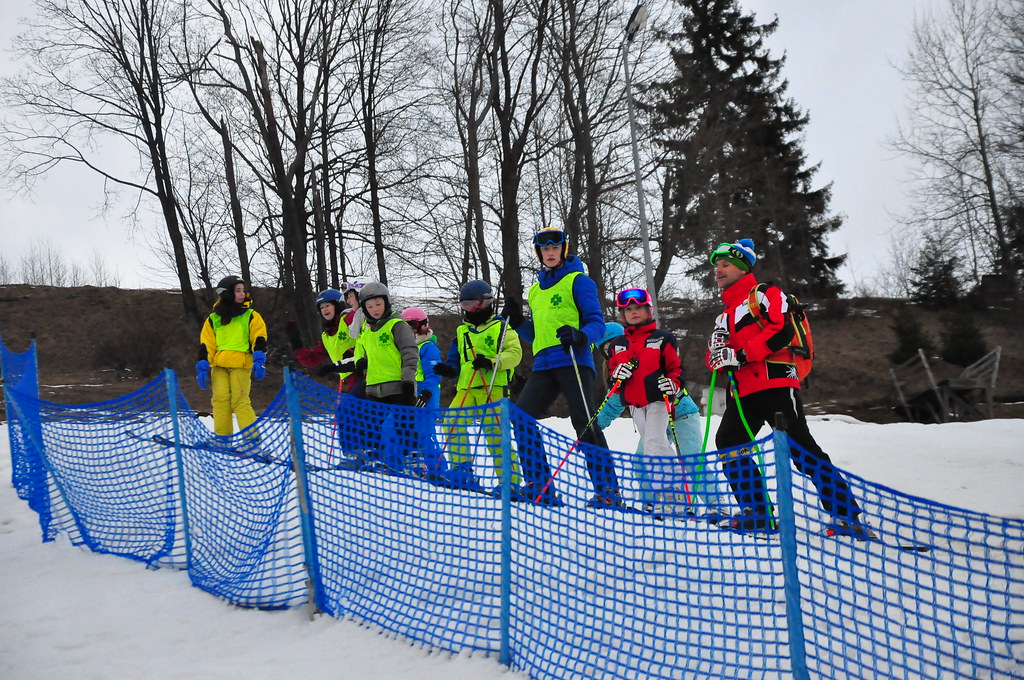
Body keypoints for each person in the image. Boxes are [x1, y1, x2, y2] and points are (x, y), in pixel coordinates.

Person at [706, 238, 867, 535]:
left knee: (800, 448)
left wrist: (740, 354)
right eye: (717, 266)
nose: (719, 270)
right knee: (729, 441)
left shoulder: (765, 294)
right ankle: (758, 512)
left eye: (726, 264)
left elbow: (781, 330)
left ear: (743, 268)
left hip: (775, 382)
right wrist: (717, 352)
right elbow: (715, 361)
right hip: (743, 391)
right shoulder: (724, 315)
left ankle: (848, 515)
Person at [500, 226, 623, 507]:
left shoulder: (578, 281)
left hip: (573, 359)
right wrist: (518, 322)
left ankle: (607, 489)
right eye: (545, 249)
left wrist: (581, 336)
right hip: (544, 363)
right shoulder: (535, 291)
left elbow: (597, 323)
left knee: (583, 421)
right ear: (539, 253)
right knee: (520, 416)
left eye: (555, 248)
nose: (550, 253)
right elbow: (538, 336)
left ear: (563, 249)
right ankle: (539, 484)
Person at [594, 321, 730, 519]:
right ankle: (653, 502)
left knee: (690, 460)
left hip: (680, 415)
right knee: (642, 460)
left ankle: (717, 505)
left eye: (612, 344)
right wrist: (594, 427)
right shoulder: (620, 372)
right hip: (653, 420)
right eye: (606, 349)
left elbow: (673, 373)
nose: (611, 350)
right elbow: (612, 403)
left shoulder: (648, 356)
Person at [433, 280, 524, 490]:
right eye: (466, 305)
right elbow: (456, 362)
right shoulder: (462, 331)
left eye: (475, 305)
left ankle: (510, 481)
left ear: (487, 302)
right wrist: (449, 370)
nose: (471, 310)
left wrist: (491, 362)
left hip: (492, 387)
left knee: (495, 432)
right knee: (452, 422)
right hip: (466, 388)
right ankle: (462, 469)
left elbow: (515, 354)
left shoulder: (501, 327)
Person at [602, 288, 686, 515]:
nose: (633, 312)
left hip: (658, 399)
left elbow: (676, 368)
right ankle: (674, 492)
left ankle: (670, 496)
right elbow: (613, 376)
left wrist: (673, 383)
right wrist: (617, 375)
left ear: (648, 310)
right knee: (657, 447)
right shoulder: (618, 344)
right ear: (622, 315)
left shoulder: (663, 338)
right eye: (628, 309)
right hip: (635, 404)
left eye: (638, 307)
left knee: (653, 443)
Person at [196, 275, 268, 436]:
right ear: (227, 293)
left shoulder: (251, 315)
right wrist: (202, 366)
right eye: (238, 291)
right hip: (219, 366)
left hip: (241, 365)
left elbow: (259, 338)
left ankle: (252, 440)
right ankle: (223, 439)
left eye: (243, 290)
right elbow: (206, 344)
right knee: (219, 401)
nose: (243, 294)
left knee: (240, 401)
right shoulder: (213, 319)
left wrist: (259, 360)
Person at [285, 289, 359, 392]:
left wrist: (353, 351)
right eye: (321, 307)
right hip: (348, 382)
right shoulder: (327, 336)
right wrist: (296, 343)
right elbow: (311, 359)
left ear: (338, 305)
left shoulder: (349, 318)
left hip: (364, 376)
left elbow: (367, 337)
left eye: (327, 305)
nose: (324, 310)